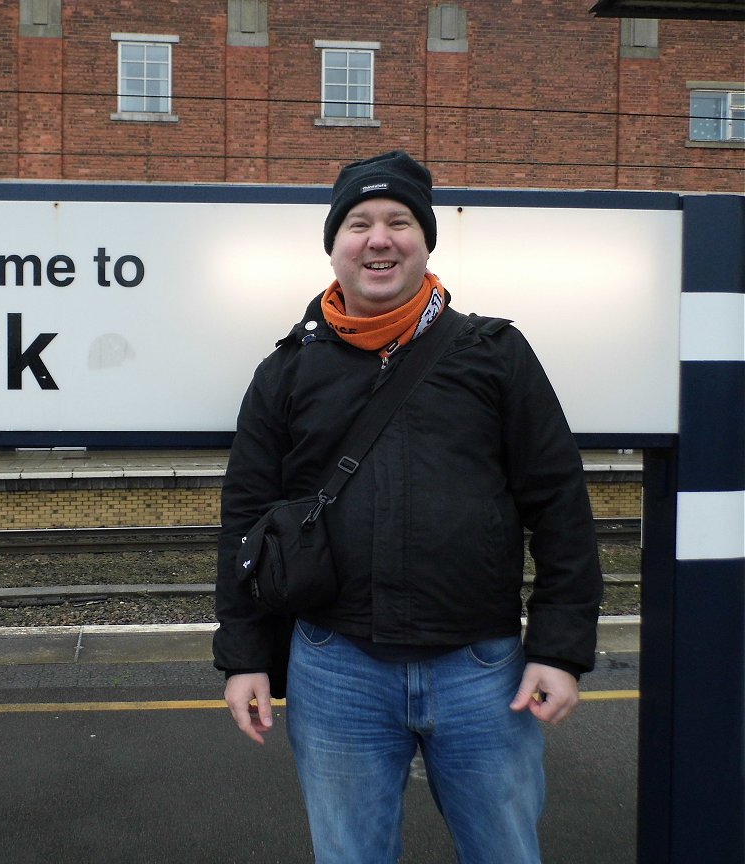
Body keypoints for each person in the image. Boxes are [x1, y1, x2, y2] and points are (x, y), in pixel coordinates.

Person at [213, 151, 603, 863]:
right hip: (336, 671)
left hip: (484, 672)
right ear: (334, 245)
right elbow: (246, 518)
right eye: (359, 223)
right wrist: (246, 659)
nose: (379, 238)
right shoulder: (287, 372)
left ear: (425, 240)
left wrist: (559, 648)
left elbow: (558, 504)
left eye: (399, 221)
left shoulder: (494, 354)